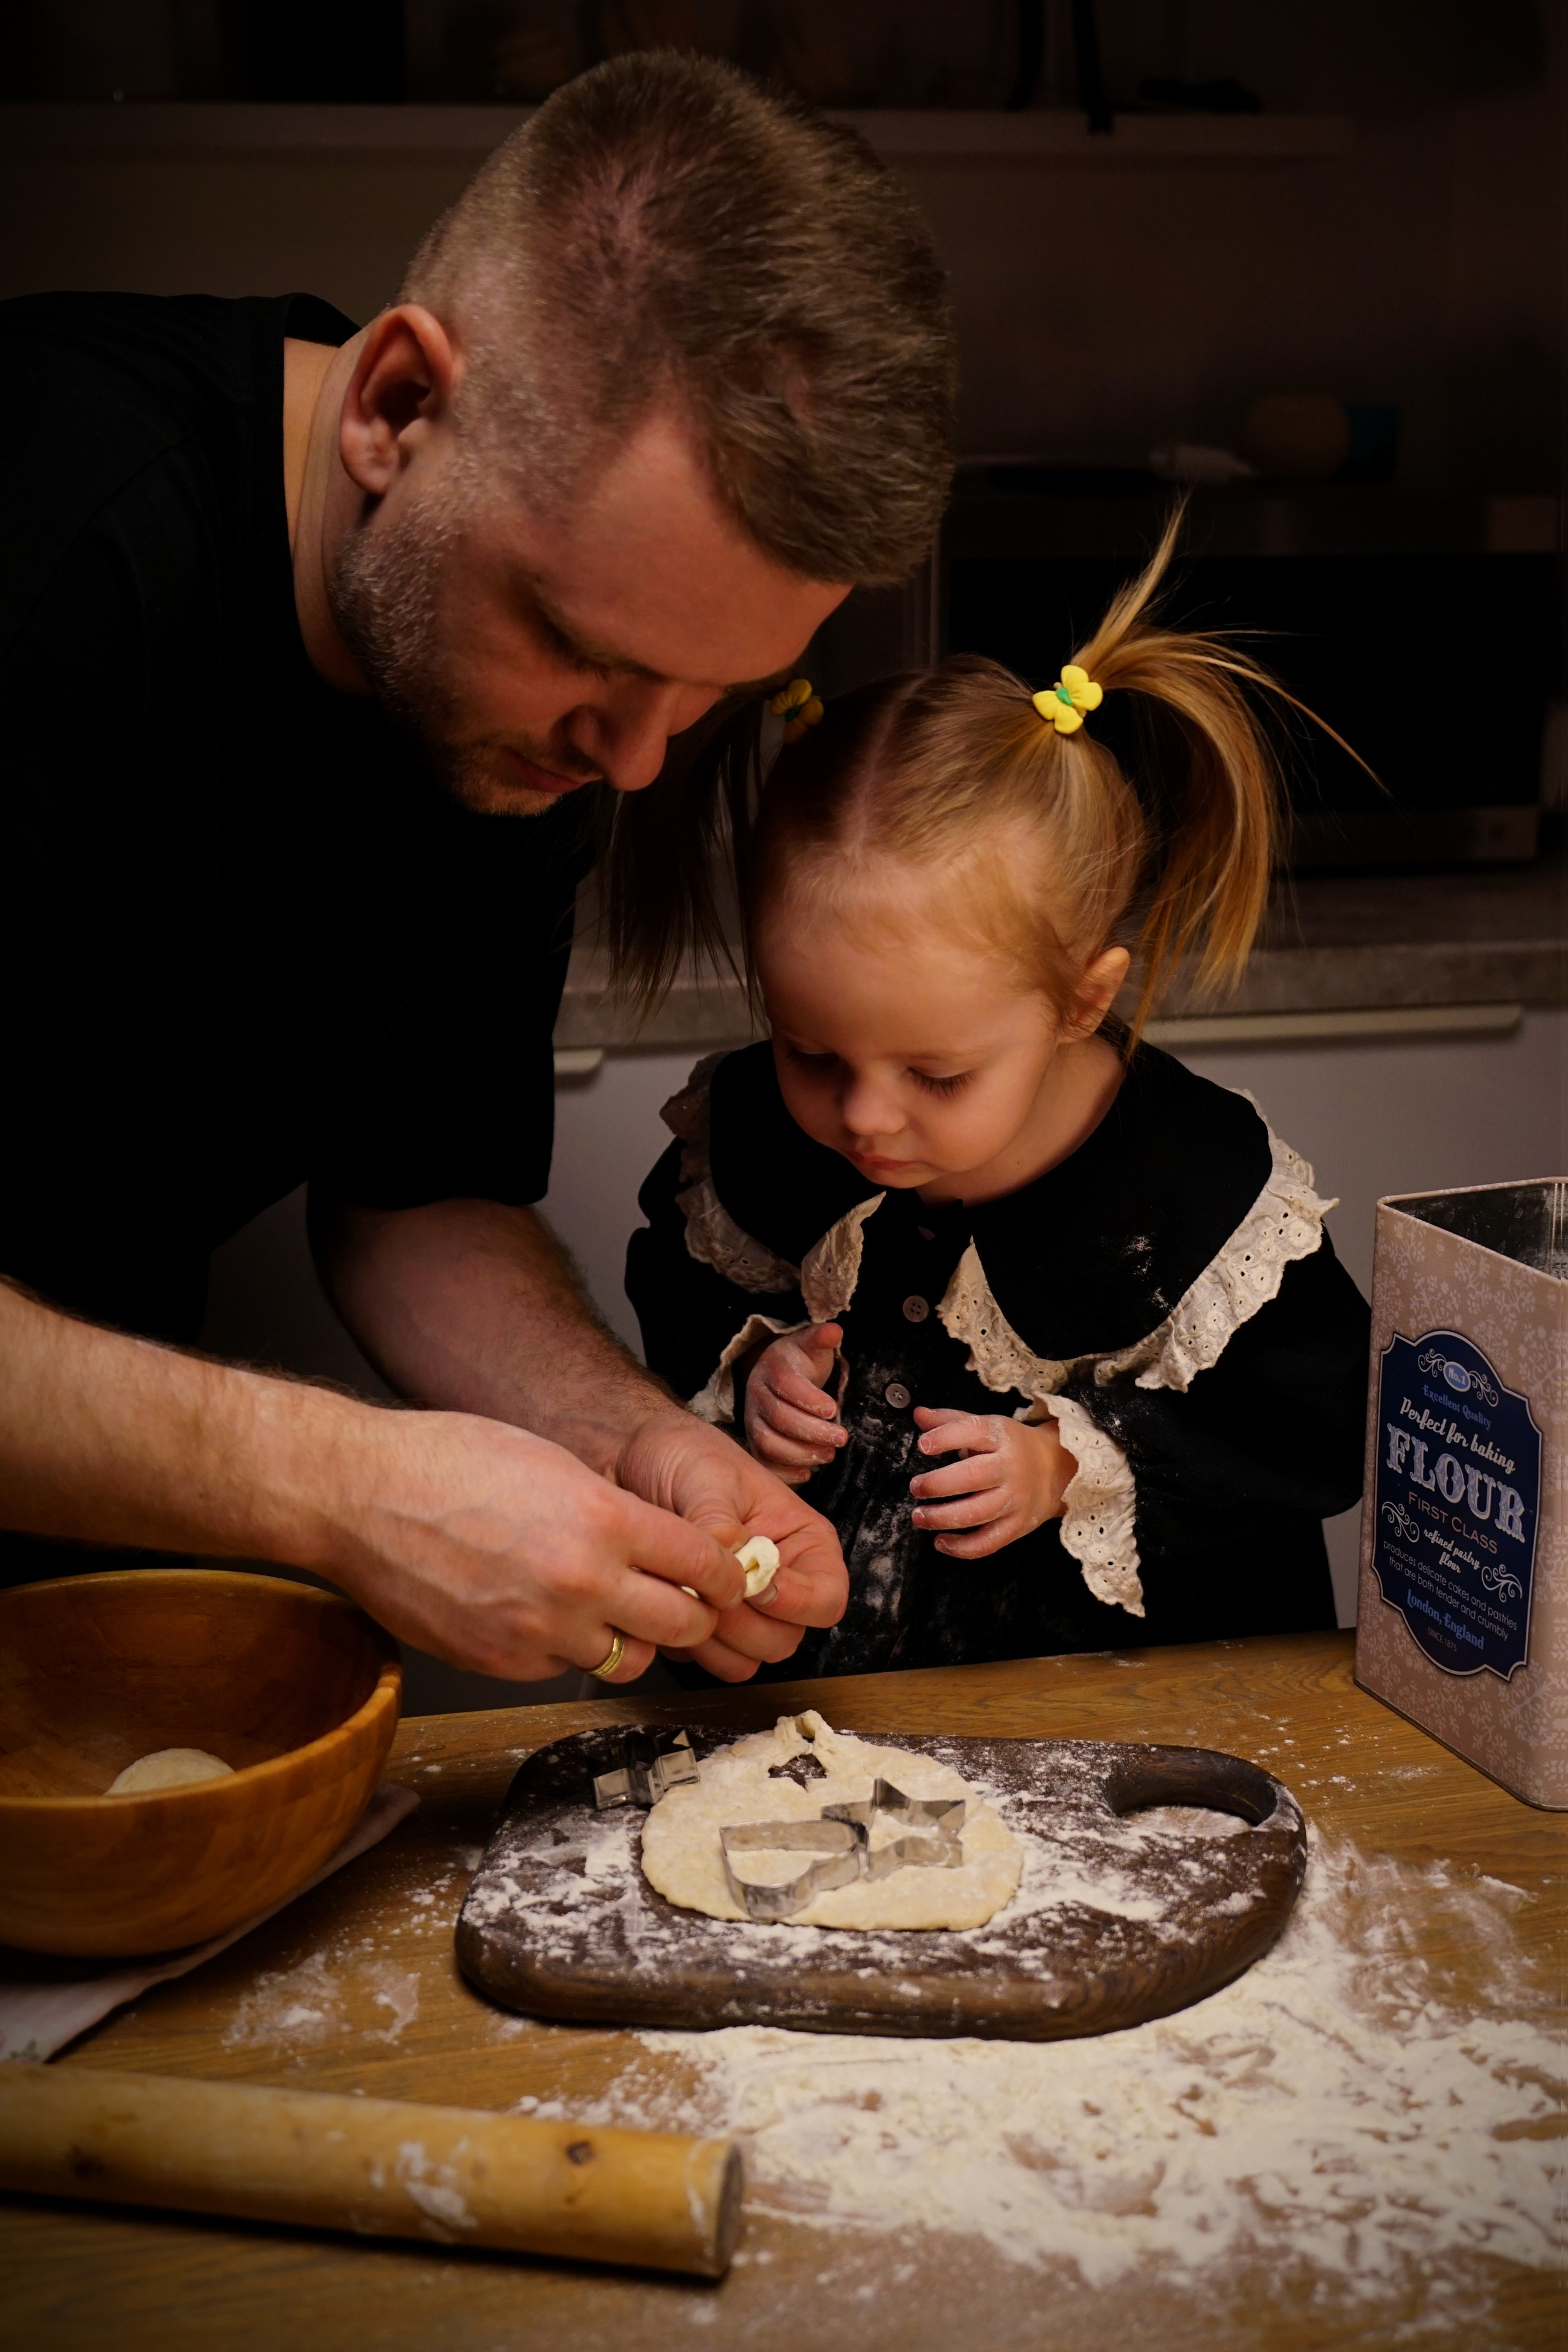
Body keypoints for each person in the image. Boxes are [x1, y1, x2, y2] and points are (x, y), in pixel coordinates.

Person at [0, 54, 956, 1687]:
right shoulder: (51, 534)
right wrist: (352, 1491)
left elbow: (416, 1194)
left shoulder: (525, 713)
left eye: (703, 695)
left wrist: (633, 1440)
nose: (639, 761)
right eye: (583, 649)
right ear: (393, 408)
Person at [627, 514, 1371, 1678]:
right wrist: (744, 1370)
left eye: (937, 1075)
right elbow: (669, 1282)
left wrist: (1075, 1463)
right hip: (821, 1722)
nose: (865, 1117)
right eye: (810, 1050)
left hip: (1114, 1725)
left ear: (1082, 1002)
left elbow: (1323, 1431)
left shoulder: (1200, 1185)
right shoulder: (760, 1136)